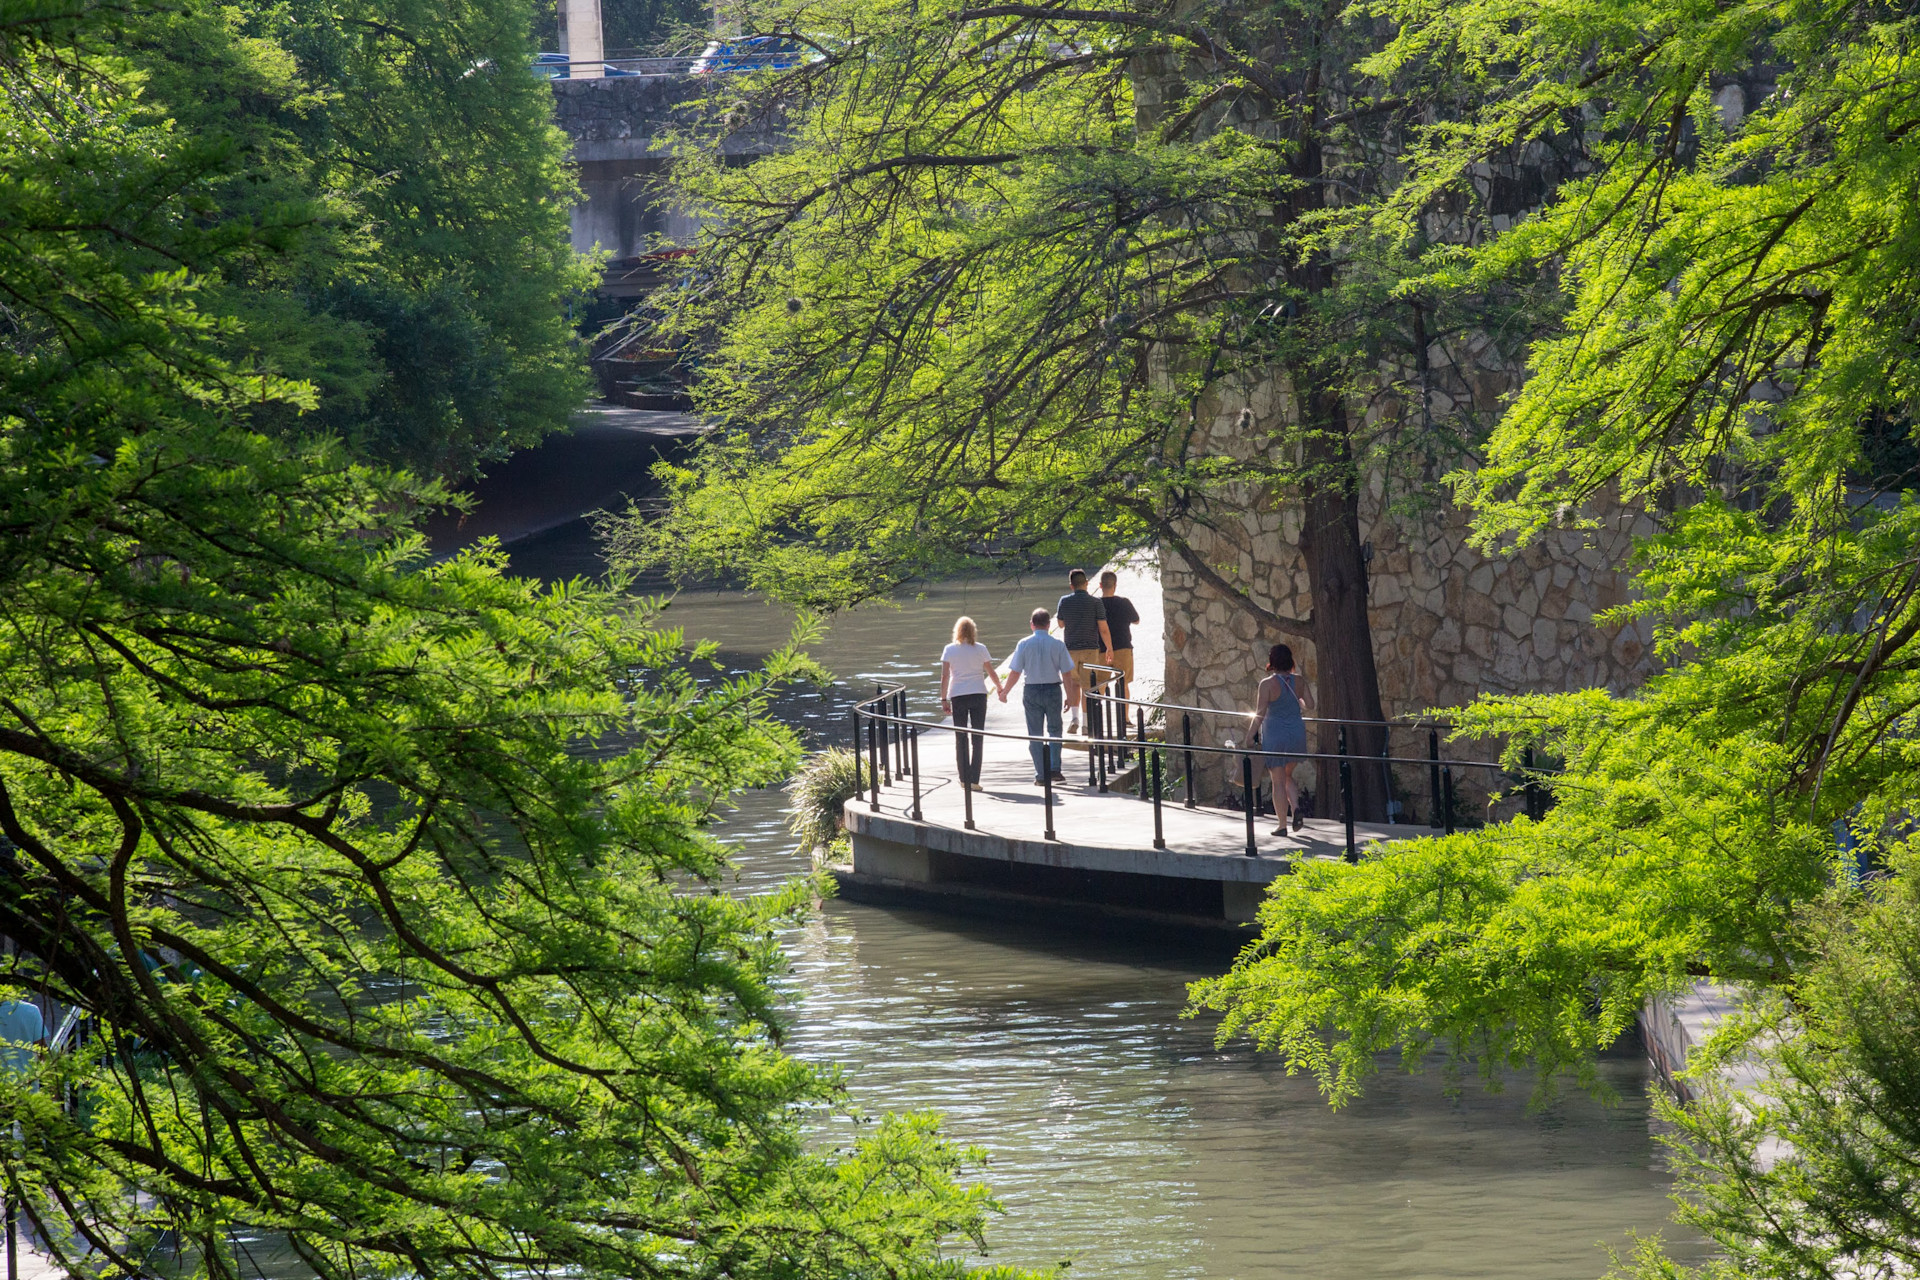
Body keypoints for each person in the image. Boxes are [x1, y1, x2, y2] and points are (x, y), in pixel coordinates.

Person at [998, 608, 1076, 785]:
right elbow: (1067, 673)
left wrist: (1005, 692)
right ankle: (1055, 770)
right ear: (1049, 625)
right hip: (1053, 690)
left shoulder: (1023, 644)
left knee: (1035, 733)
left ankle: (1041, 774)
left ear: (1031, 624)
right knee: (1055, 730)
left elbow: (1015, 672)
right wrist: (1070, 696)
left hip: (1032, 690)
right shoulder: (1058, 645)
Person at [1250, 643, 1314, 833]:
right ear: (1290, 660)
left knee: (1277, 780)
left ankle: (1282, 825)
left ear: (1272, 662)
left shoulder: (1267, 684)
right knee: (1287, 775)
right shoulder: (1300, 681)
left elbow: (1259, 713)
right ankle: (1295, 808)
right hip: (1296, 733)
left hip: (1275, 734)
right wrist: (1296, 700)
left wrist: (1249, 735)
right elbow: (1310, 704)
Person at [940, 616, 1003, 791]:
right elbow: (991, 671)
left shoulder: (949, 650)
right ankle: (975, 779)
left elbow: (945, 676)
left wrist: (943, 699)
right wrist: (999, 688)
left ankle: (964, 779)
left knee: (961, 737)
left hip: (958, 695)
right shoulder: (981, 649)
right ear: (973, 631)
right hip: (978, 694)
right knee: (977, 737)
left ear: (957, 631)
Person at [1053, 569, 1111, 734]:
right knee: (1088, 687)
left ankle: (1074, 719)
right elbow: (1103, 629)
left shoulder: (1064, 601)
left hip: (1070, 649)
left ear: (1071, 586)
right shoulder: (1096, 603)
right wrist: (1109, 648)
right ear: (1086, 583)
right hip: (1090, 649)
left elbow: (1061, 623)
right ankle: (1086, 724)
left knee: (1073, 684)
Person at [1097, 569, 1142, 695]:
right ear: (1115, 585)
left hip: (1102, 649)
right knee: (1123, 684)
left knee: (1099, 683)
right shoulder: (1124, 602)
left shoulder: (1096, 604)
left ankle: (1095, 712)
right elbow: (1136, 620)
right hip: (1123, 647)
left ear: (1100, 585)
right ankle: (1125, 715)